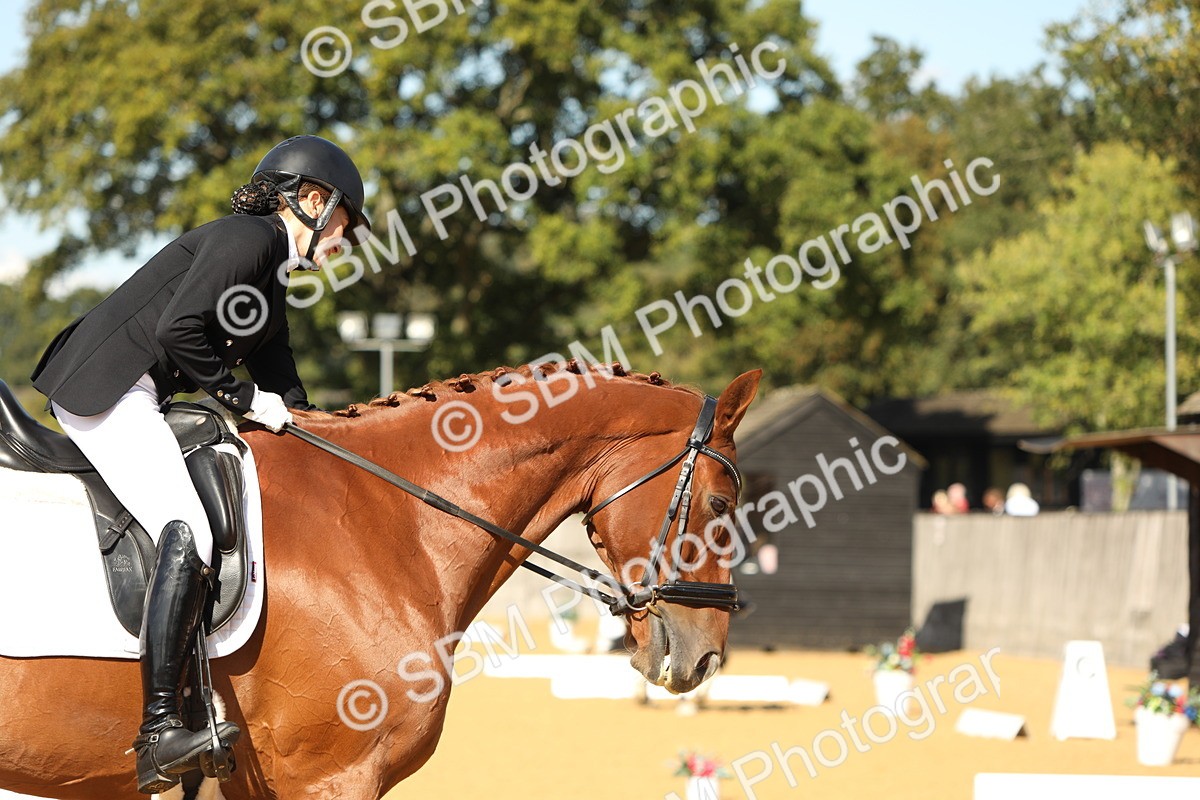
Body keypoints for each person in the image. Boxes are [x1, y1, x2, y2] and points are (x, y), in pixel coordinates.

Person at [29, 135, 370, 794]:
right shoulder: (251, 240)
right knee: (190, 527)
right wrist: (245, 399)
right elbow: (178, 330)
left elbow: (280, 375)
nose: (342, 247)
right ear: (314, 201)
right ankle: (160, 731)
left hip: (135, 387)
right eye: (344, 231)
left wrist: (320, 433)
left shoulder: (270, 275)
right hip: (110, 384)